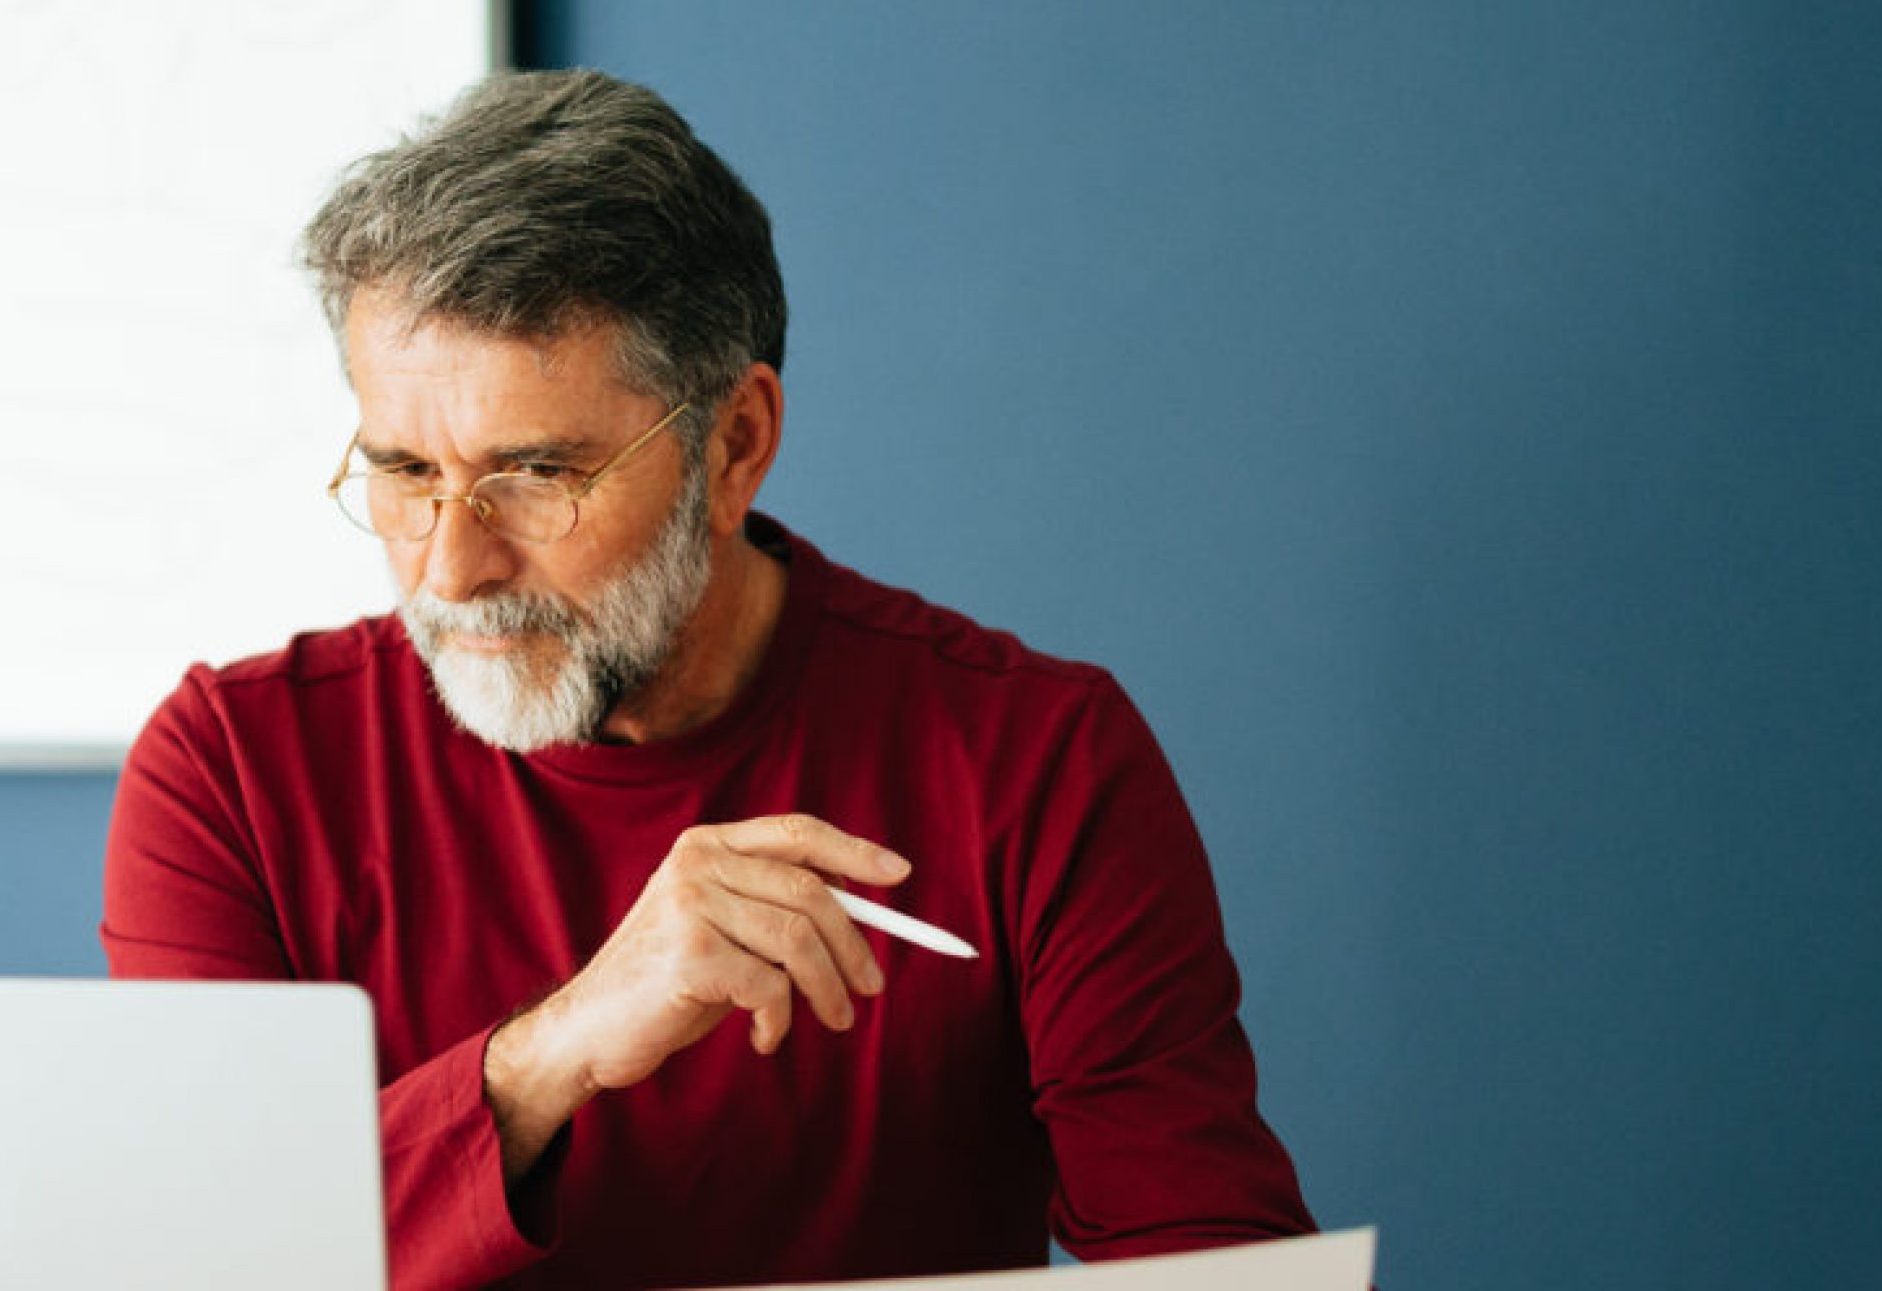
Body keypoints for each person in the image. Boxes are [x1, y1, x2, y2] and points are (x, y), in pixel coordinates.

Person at [102, 70, 1320, 1290]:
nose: (450, 566)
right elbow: (208, 1255)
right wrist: (551, 1055)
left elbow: (1203, 1257)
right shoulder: (233, 771)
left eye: (534, 473)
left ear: (732, 444)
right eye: (404, 471)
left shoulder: (1033, 759)